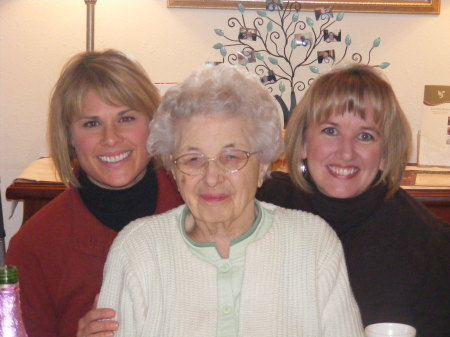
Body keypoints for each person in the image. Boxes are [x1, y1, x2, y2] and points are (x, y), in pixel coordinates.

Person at [79, 63, 364, 337]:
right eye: (193, 159)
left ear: (263, 164)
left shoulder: (313, 245)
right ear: (174, 171)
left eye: (231, 157)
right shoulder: (138, 249)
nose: (212, 177)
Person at [257, 64, 450, 337]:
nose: (346, 153)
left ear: (385, 154)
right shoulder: (260, 207)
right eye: (330, 131)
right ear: (302, 142)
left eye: (365, 136)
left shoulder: (430, 246)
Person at [5, 49, 183, 337]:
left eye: (126, 118)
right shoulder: (34, 246)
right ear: (70, 138)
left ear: (154, 124)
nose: (110, 138)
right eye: (91, 123)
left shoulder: (199, 209)